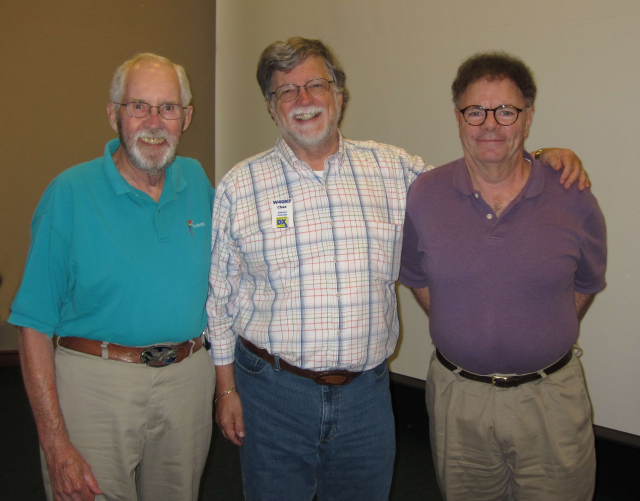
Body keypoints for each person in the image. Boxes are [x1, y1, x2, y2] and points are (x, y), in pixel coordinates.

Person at [206, 37, 587, 501]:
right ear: (271, 108)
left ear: (339, 95)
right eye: (286, 91)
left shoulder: (393, 169)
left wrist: (538, 157)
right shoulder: (239, 187)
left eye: (316, 85)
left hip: (365, 398)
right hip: (272, 393)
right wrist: (226, 390)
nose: (303, 99)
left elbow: (476, 179)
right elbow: (220, 296)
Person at [400, 52, 606, 500]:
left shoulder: (572, 196)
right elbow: (416, 277)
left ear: (527, 118)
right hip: (458, 399)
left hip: (550, 399)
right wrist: (465, 325)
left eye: (506, 111)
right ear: (458, 118)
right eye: (475, 111)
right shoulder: (425, 194)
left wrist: (535, 333)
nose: (490, 124)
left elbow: (586, 284)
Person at [9, 53, 215, 501]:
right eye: (138, 106)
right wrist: (54, 442)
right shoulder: (69, 193)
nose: (154, 122)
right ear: (113, 115)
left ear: (186, 117)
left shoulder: (197, 182)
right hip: (95, 384)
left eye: (168, 107)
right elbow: (32, 323)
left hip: (187, 383)